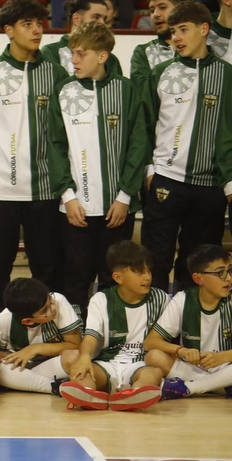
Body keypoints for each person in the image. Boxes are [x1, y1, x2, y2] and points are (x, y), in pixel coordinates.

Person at [0, 0, 64, 310]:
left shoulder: (56, 74)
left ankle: (48, 333)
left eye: (39, 23)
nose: (37, 30)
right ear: (8, 30)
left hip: (44, 190)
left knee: (48, 270)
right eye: (28, 24)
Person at [48, 21, 147, 308]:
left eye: (81, 54)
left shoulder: (126, 90)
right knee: (76, 274)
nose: (73, 60)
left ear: (102, 56)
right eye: (71, 53)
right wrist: (67, 197)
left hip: (117, 207)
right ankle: (75, 336)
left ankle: (111, 335)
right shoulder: (62, 90)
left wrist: (125, 196)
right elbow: (55, 146)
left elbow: (137, 144)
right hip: (76, 207)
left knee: (113, 275)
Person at [140, 0, 232, 292]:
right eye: (173, 31)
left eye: (183, 29)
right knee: (155, 259)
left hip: (210, 186)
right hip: (166, 180)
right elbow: (144, 124)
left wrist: (230, 181)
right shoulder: (160, 73)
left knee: (198, 265)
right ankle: (153, 324)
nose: (176, 38)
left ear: (204, 29)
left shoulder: (228, 74)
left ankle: (190, 325)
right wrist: (149, 170)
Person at [57, 240, 168, 411]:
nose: (147, 277)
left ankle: (133, 394)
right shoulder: (101, 300)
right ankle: (89, 395)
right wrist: (85, 357)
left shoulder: (161, 299)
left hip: (140, 364)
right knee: (81, 373)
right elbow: (90, 336)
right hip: (106, 363)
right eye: (139, 272)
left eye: (149, 271)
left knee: (155, 373)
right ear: (118, 277)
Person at [145, 243, 232, 400]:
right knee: (154, 356)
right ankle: (222, 386)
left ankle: (189, 388)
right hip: (194, 370)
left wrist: (223, 357)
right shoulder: (183, 300)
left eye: (230, 270)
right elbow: (150, 342)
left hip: (228, 366)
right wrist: (181, 350)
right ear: (198, 278)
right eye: (220, 272)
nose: (228, 278)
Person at [0, 277, 82, 397]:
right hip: (22, 369)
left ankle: (21, 384)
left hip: (49, 367)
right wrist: (13, 357)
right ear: (27, 321)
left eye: (50, 300)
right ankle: (47, 385)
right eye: (44, 310)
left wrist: (35, 348)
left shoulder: (59, 301)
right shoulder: (4, 321)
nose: (52, 308)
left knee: (74, 356)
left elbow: (76, 345)